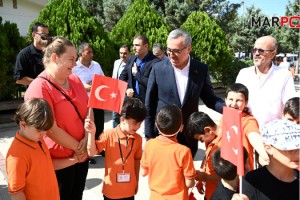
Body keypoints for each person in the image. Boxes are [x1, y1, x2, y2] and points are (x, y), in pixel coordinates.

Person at [24, 36, 89, 200]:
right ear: (54, 58)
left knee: (77, 195)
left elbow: (88, 107)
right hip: (59, 161)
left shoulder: (74, 79)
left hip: (80, 156)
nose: (75, 64)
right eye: (71, 59)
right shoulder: (39, 87)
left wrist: (87, 137)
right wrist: (78, 148)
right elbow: (49, 128)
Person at [145, 29, 224, 157]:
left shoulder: (201, 69)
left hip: (190, 134)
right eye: (169, 50)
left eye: (176, 51)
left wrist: (230, 110)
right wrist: (149, 136)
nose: (171, 55)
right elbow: (149, 104)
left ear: (188, 49)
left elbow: (210, 99)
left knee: (186, 173)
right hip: (164, 134)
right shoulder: (157, 68)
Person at [85, 97, 147, 200]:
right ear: (122, 119)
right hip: (111, 191)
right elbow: (91, 152)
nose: (138, 127)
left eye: (140, 123)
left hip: (129, 190)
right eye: (135, 123)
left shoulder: (138, 139)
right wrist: (91, 133)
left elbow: (136, 162)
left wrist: (136, 183)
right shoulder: (109, 134)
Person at [236, 36, 296, 128]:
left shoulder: (284, 75)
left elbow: (290, 107)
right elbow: (234, 102)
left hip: (273, 135)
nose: (256, 53)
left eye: (261, 50)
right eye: (254, 50)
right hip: (245, 132)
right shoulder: (243, 73)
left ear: (273, 54)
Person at [6, 98, 60, 200]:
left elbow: (46, 165)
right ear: (23, 124)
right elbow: (16, 193)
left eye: (45, 130)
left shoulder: (37, 139)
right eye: (39, 130)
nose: (43, 134)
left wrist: (73, 160)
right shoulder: (17, 156)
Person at [140, 104, 196, 200]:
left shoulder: (149, 145)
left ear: (157, 126)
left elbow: (143, 172)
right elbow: (189, 183)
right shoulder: (183, 151)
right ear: (181, 127)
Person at [240, 119, 300, 200]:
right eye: (289, 149)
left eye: (298, 148)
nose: (298, 154)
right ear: (268, 148)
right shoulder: (253, 180)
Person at [72, 42, 105, 164]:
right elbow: (72, 84)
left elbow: (103, 79)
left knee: (99, 126)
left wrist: (97, 84)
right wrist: (84, 87)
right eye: (88, 52)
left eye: (92, 52)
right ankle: (89, 154)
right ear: (80, 54)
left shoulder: (96, 65)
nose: (92, 54)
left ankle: (99, 148)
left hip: (97, 101)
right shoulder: (74, 68)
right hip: (83, 103)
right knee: (87, 127)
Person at [224, 83, 269, 170]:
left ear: (246, 102)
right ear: (225, 100)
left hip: (243, 170)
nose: (234, 103)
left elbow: (254, 136)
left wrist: (264, 154)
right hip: (226, 169)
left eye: (238, 100)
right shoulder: (225, 118)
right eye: (231, 99)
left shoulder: (248, 121)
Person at [186, 111, 221, 200]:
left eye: (200, 138)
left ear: (208, 130)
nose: (201, 142)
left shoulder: (224, 145)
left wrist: (205, 177)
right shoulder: (211, 138)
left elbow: (227, 176)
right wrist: (202, 173)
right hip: (210, 192)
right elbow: (206, 156)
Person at [119, 35, 159, 103]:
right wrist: (127, 89)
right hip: (132, 103)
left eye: (137, 45)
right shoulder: (131, 59)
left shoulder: (155, 62)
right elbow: (122, 77)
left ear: (146, 46)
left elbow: (152, 84)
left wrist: (136, 74)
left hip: (147, 104)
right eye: (133, 45)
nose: (134, 48)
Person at [14, 22, 49, 86]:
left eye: (47, 35)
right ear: (33, 35)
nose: (46, 37)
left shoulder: (50, 52)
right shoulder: (24, 54)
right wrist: (41, 83)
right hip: (34, 94)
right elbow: (19, 79)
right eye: (43, 35)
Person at [112, 44, 130, 128]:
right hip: (115, 94)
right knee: (115, 117)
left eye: (125, 53)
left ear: (129, 53)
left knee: (125, 117)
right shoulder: (116, 62)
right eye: (121, 53)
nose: (122, 55)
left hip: (126, 96)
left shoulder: (132, 64)